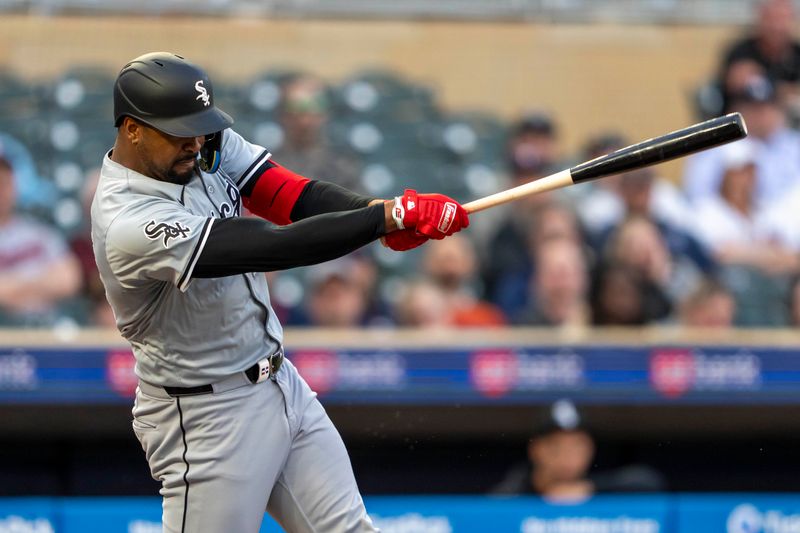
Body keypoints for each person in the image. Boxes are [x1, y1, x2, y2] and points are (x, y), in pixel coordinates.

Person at [91, 52, 469, 533]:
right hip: (207, 416)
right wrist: (384, 219)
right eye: (180, 130)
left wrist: (381, 213)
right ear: (132, 129)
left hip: (279, 382)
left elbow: (288, 196)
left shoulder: (200, 144)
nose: (196, 142)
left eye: (200, 127)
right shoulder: (127, 219)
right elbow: (271, 245)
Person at [491, 399, 665, 500]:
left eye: (577, 446)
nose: (567, 457)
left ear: (590, 448)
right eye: (556, 447)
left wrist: (591, 488)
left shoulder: (596, 486)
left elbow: (648, 481)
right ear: (536, 449)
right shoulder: (514, 493)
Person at [0, 154, 81, 326]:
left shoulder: (39, 234)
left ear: (14, 187)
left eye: (4, 184)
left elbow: (69, 280)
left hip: (42, 332)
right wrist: (38, 284)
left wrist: (11, 288)